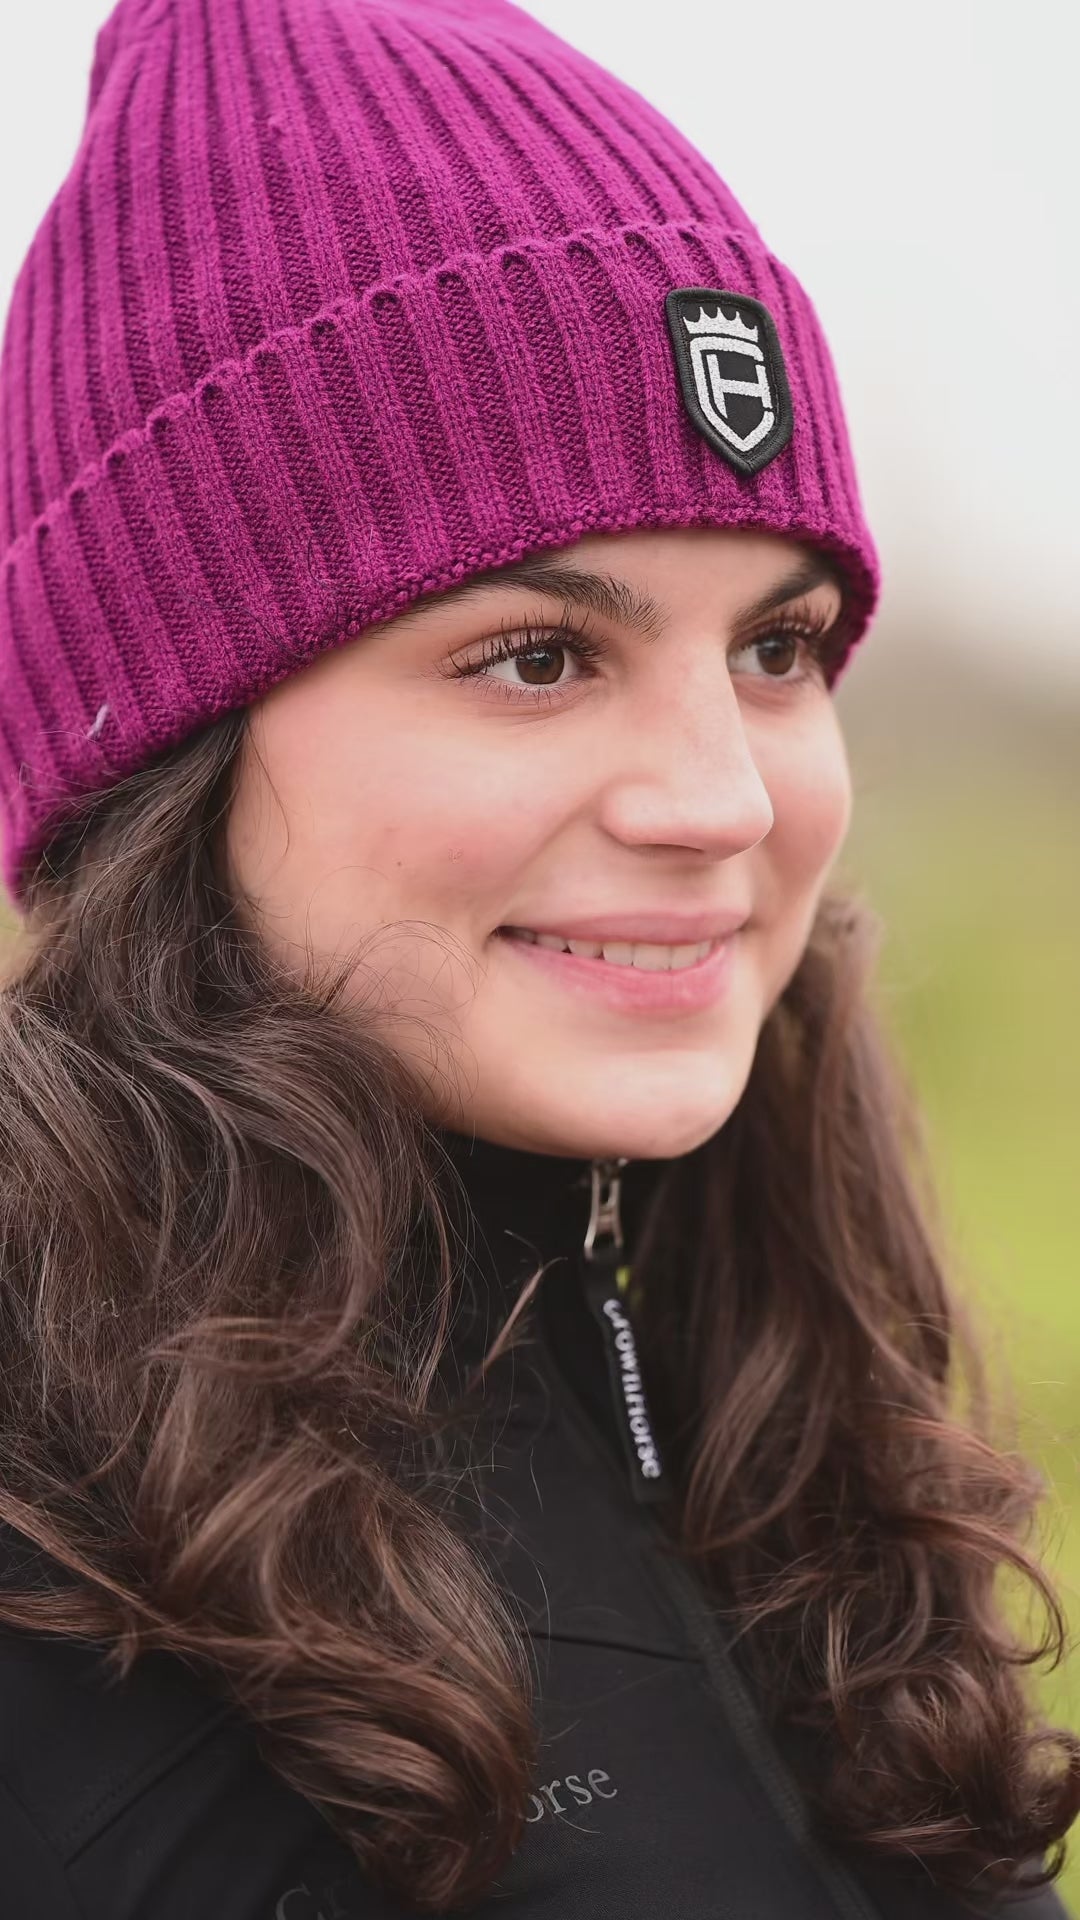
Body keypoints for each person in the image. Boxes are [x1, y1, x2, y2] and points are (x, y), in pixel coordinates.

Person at [0, 0, 1077, 1914]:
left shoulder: (774, 1370)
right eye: (538, 657)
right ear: (166, 744)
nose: (721, 798)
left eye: (777, 648)